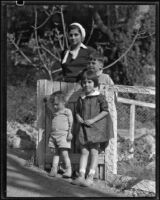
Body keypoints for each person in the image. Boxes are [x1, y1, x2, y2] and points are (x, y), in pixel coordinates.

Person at [72, 70, 109, 187]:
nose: (86, 84)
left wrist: (93, 120)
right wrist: (78, 117)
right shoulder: (81, 97)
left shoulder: (99, 97)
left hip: (95, 129)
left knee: (94, 151)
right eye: (84, 82)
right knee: (84, 151)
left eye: (89, 82)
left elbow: (105, 111)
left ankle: (90, 177)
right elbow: (77, 111)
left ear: (95, 83)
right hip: (83, 129)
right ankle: (81, 176)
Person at [47, 91, 73, 178]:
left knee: (64, 153)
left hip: (63, 135)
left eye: (57, 104)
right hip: (53, 135)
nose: (55, 106)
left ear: (64, 102)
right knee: (55, 153)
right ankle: (54, 169)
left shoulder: (67, 111)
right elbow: (48, 105)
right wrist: (48, 100)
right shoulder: (55, 112)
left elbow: (71, 123)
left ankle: (69, 170)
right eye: (54, 104)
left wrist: (70, 133)